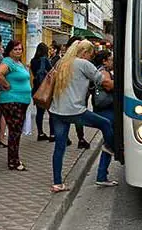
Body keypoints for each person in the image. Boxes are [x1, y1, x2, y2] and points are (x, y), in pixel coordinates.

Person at [49, 40, 114, 193]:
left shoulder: (61, 63)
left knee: (59, 147)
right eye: (90, 55)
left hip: (57, 111)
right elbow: (104, 82)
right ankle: (109, 146)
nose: (91, 58)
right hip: (75, 110)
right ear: (85, 53)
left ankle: (57, 183)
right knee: (105, 124)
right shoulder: (84, 64)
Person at [0, 40, 32, 171]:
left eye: (20, 49)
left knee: (16, 131)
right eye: (15, 49)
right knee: (15, 131)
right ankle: (13, 161)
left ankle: (15, 159)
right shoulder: (8, 62)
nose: (18, 52)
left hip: (21, 101)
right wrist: (6, 84)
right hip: (12, 100)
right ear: (9, 50)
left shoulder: (18, 63)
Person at [91, 50, 117, 187]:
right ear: (104, 61)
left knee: (109, 141)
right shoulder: (103, 72)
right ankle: (101, 175)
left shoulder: (104, 71)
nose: (113, 62)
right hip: (105, 111)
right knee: (110, 142)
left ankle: (102, 175)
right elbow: (110, 86)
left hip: (107, 110)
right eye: (111, 59)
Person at [65, 36, 90, 149]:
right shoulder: (81, 62)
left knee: (65, 116)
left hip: (65, 94)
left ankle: (66, 138)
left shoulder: (63, 60)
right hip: (78, 95)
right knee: (78, 116)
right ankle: (80, 138)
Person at [30, 42, 54, 141]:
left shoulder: (33, 61)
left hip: (37, 89)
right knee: (51, 112)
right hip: (46, 89)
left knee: (40, 112)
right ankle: (52, 134)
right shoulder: (45, 60)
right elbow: (52, 73)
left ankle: (40, 133)